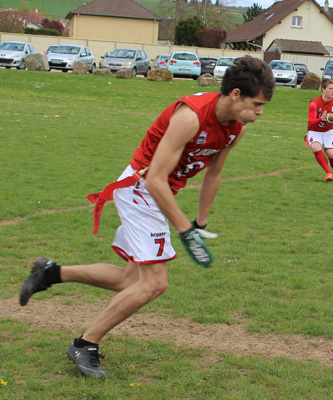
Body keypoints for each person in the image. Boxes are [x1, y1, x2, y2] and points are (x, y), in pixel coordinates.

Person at [18, 56, 276, 378]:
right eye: (257, 104)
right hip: (142, 187)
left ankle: (50, 273)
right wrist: (183, 229)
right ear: (235, 94)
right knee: (155, 283)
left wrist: (200, 221)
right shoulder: (191, 116)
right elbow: (154, 178)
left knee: (131, 281)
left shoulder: (235, 129)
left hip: (159, 192)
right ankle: (85, 343)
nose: (260, 113)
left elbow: (213, 174)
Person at [306, 78, 333, 183]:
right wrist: (322, 118)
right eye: (330, 89)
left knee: (331, 154)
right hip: (314, 131)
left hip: (328, 131)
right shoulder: (314, 103)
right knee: (315, 147)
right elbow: (311, 122)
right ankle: (328, 172)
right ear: (323, 89)